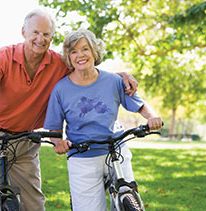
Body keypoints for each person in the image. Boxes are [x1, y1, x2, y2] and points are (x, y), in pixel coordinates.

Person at [0, 9, 138, 211]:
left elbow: (88, 71)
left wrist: (119, 76)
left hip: (25, 140)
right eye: (35, 33)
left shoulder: (58, 64)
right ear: (24, 32)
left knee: (33, 203)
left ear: (52, 37)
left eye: (46, 34)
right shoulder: (3, 57)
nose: (40, 39)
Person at [43, 28, 163, 211]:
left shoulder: (114, 81)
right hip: (82, 155)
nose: (80, 55)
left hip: (116, 149)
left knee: (130, 201)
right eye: (73, 51)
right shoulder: (60, 89)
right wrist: (58, 142)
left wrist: (152, 117)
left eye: (85, 49)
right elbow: (54, 129)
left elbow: (140, 105)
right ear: (68, 57)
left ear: (94, 51)